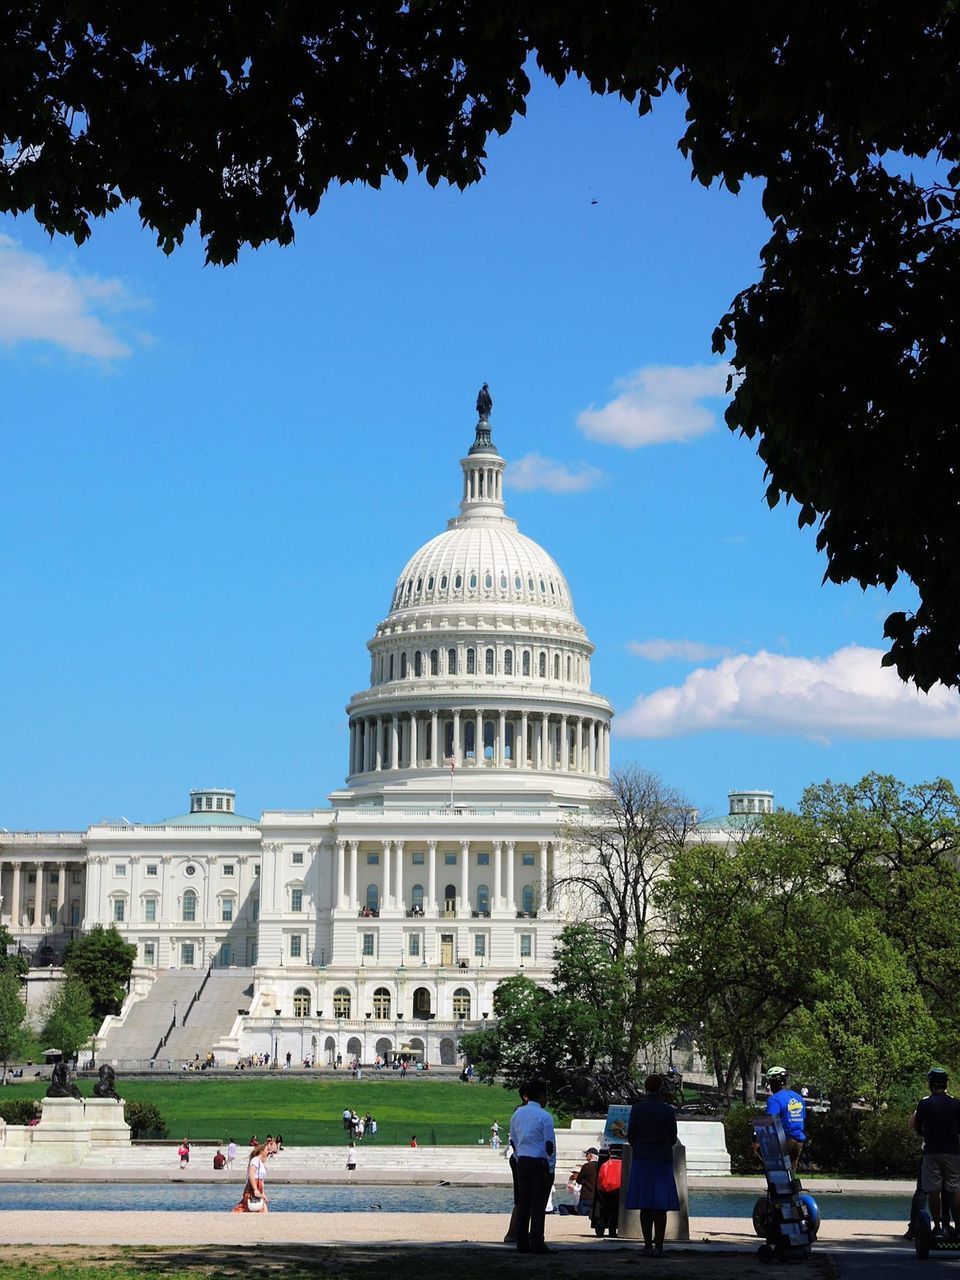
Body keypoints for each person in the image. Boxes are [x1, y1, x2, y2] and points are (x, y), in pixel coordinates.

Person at [626, 1073, 679, 1257]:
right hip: (662, 1159)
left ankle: (647, 1245)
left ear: (646, 1088)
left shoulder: (638, 1109)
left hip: (643, 1157)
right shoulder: (668, 1111)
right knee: (660, 1205)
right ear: (661, 1088)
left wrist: (640, 1146)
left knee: (645, 1204)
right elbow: (673, 1137)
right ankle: (659, 1246)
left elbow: (630, 1134)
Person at [910, 1067, 960, 1236]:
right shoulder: (956, 1104)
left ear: (930, 1084)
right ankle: (957, 1226)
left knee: (933, 1190)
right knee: (954, 1189)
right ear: (946, 1084)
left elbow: (917, 1126)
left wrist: (925, 1134)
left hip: (931, 1151)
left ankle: (937, 1226)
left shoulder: (924, 1104)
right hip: (952, 1152)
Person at [508, 1078, 556, 1254]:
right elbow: (549, 1145)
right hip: (539, 1161)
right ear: (541, 1096)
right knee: (538, 1205)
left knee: (524, 1203)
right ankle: (537, 1240)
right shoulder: (545, 1116)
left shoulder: (517, 1114)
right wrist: (551, 1168)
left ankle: (522, 1241)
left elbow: (513, 1140)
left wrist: (519, 1157)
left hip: (523, 1160)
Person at [764, 1066, 807, 1170]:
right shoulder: (798, 1097)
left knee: (775, 1172)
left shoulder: (774, 1099)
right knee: (790, 1173)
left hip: (783, 1140)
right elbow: (803, 1118)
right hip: (799, 1140)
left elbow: (770, 1120)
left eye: (770, 1082)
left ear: (775, 1083)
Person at [232, 1141, 271, 1212]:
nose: (268, 1152)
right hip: (252, 1187)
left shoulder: (260, 1162)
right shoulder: (255, 1160)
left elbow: (261, 1180)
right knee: (246, 1206)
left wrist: (263, 1193)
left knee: (260, 1208)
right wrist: (255, 1189)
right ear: (261, 1151)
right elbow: (251, 1174)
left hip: (258, 1187)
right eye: (267, 1150)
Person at [574, 1147, 600, 1217]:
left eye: (587, 1154)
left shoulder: (587, 1166)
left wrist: (584, 1181)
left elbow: (578, 1180)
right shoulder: (600, 1166)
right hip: (597, 1197)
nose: (585, 1156)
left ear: (591, 1155)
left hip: (586, 1196)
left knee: (583, 1217)